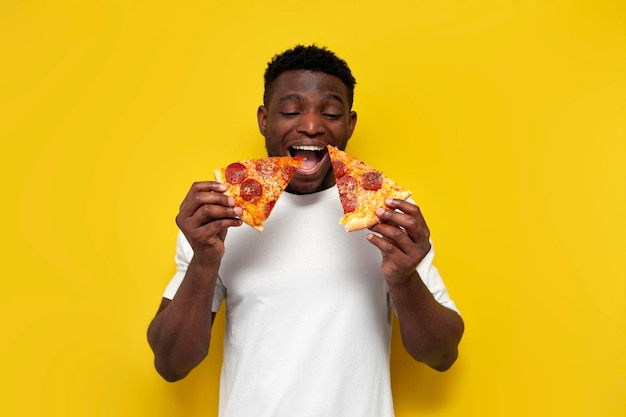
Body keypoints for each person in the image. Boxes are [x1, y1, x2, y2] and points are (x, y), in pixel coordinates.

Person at [147, 44, 464, 417]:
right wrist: (204, 260)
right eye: (291, 111)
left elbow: (442, 355)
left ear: (350, 124)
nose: (311, 125)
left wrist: (405, 279)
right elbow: (170, 364)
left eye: (330, 112)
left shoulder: (390, 218)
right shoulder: (218, 219)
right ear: (265, 120)